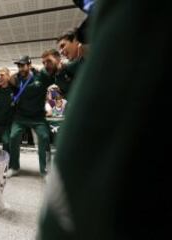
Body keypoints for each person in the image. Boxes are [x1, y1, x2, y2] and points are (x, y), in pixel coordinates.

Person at [38, 0, 171, 239]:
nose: (61, 52)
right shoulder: (73, 67)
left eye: (63, 46)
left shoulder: (100, 55)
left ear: (76, 42)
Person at [8, 55, 56, 178]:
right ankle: (14, 167)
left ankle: (45, 170)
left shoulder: (40, 76)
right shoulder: (16, 79)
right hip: (20, 117)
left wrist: (43, 69)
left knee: (44, 137)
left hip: (38, 117)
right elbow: (8, 83)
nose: (20, 68)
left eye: (23, 65)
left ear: (29, 65)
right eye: (19, 66)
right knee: (13, 136)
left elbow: (54, 76)